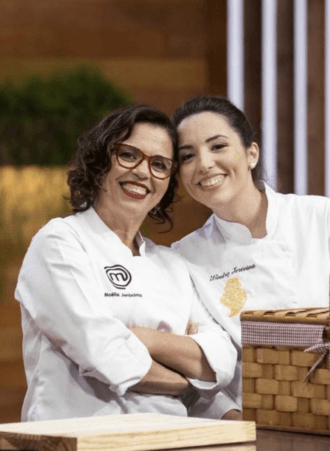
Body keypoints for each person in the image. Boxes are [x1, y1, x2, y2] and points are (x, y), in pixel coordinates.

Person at [15, 104, 236, 421]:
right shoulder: (60, 242)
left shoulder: (172, 264)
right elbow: (104, 354)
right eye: (129, 155)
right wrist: (188, 379)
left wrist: (143, 338)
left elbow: (223, 359)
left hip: (172, 439)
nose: (144, 172)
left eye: (159, 164)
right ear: (101, 159)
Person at [171, 96, 330, 420]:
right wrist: (242, 427)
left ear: (251, 153)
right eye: (188, 156)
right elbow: (202, 375)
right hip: (250, 423)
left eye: (217, 147)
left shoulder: (319, 216)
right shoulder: (185, 255)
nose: (203, 164)